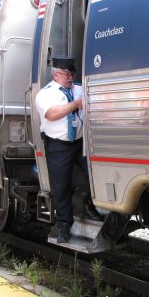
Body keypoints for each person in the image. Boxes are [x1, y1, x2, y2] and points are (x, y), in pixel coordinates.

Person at [36, 56, 104, 243]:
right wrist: (75, 104)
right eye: (66, 73)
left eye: (72, 73)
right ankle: (64, 225)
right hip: (58, 145)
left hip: (80, 142)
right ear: (56, 74)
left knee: (95, 172)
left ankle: (91, 207)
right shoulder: (46, 93)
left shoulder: (79, 89)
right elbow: (51, 114)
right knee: (61, 186)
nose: (70, 77)